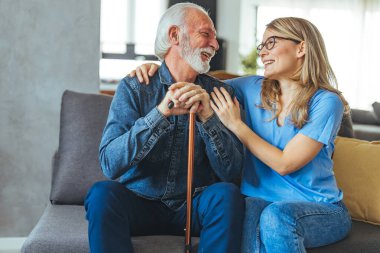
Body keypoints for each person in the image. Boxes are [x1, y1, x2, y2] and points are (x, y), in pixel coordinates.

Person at [131, 17, 352, 253]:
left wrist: (237, 125)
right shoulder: (252, 88)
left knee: (277, 217)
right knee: (250, 213)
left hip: (318, 207)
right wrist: (157, 68)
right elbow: (192, 80)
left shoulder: (326, 102)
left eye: (271, 43)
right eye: (262, 46)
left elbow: (286, 163)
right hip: (259, 200)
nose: (263, 53)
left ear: (301, 47)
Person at [84, 3, 245, 253]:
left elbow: (233, 173)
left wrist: (208, 117)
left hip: (193, 208)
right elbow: (110, 164)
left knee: (226, 195)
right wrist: (160, 114)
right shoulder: (135, 87)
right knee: (102, 193)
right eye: (206, 34)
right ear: (174, 36)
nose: (215, 44)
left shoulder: (222, 93)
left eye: (214, 37)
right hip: (140, 203)